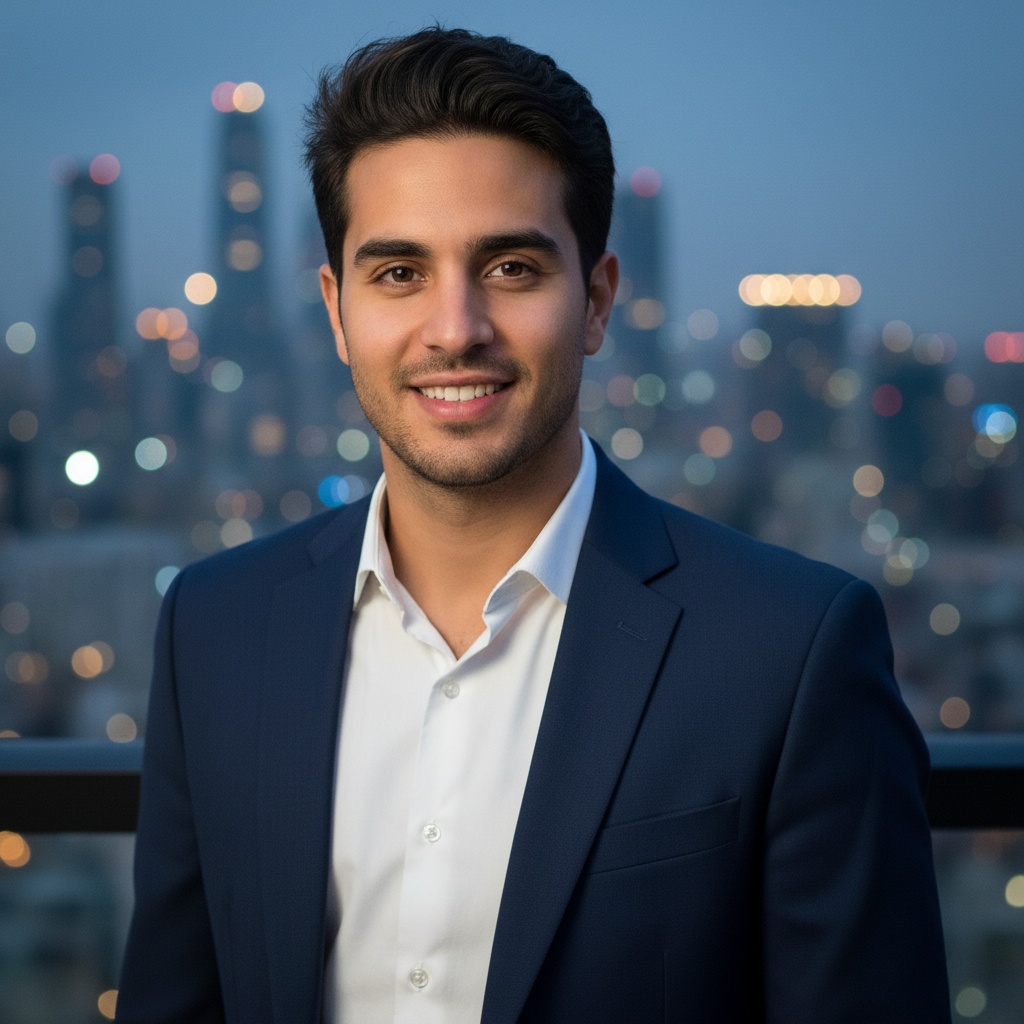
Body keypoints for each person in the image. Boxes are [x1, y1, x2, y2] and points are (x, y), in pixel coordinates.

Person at [116, 26, 950, 1024]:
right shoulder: (216, 627)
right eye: (398, 273)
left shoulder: (789, 649)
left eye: (510, 268)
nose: (455, 326)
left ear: (594, 301)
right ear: (336, 312)